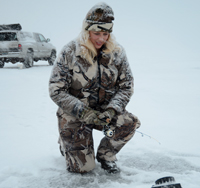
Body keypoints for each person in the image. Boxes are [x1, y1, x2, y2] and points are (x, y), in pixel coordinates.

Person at [49, 2, 141, 174]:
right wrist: (83, 112)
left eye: (105, 34)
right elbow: (56, 89)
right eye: (96, 33)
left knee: (128, 123)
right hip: (75, 114)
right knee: (84, 168)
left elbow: (126, 86)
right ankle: (65, 142)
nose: (101, 39)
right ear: (87, 31)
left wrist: (112, 110)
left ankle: (106, 155)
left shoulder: (118, 53)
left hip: (104, 112)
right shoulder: (70, 52)